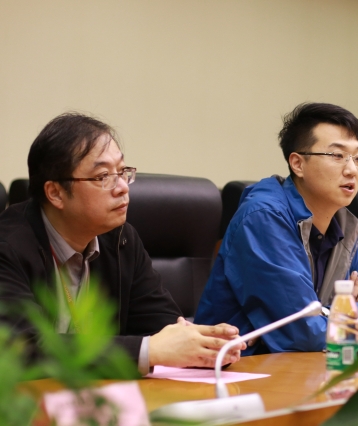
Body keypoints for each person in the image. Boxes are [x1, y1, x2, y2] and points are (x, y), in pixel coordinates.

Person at [0, 113, 244, 374]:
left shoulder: (120, 239)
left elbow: (161, 326)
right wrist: (148, 351)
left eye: (122, 172)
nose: (122, 187)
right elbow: (22, 347)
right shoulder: (8, 246)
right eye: (103, 176)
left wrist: (206, 345)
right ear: (55, 193)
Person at [194, 102, 358, 355]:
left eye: (357, 158)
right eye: (337, 156)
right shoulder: (264, 218)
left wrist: (328, 316)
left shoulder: (342, 225)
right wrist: (341, 312)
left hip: (303, 367)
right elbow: (304, 333)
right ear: (298, 164)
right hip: (237, 369)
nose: (352, 169)